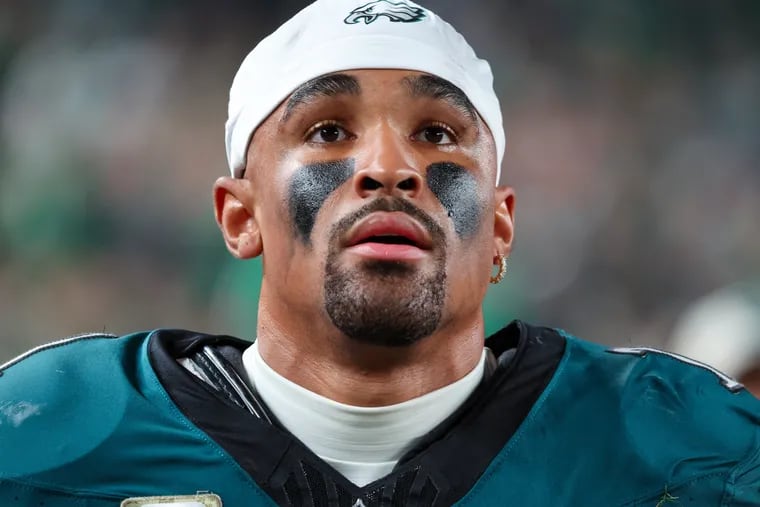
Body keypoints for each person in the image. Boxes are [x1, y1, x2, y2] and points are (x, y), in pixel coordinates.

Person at [1, 1, 758, 505]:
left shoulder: (682, 445)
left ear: (500, 229)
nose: (391, 166)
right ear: (240, 216)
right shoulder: (45, 430)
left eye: (438, 133)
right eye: (328, 130)